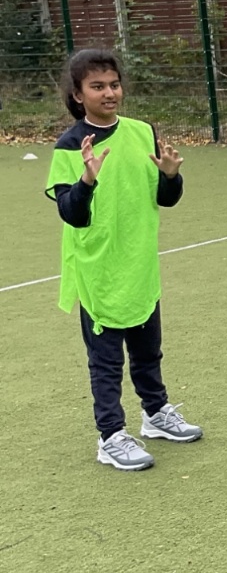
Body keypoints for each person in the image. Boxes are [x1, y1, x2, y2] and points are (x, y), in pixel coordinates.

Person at [45, 48, 203, 471]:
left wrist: (171, 175)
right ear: (78, 94)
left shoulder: (142, 132)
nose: (109, 93)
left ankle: (156, 414)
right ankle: (111, 435)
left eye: (114, 84)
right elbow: (72, 214)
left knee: (149, 351)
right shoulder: (69, 146)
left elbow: (165, 199)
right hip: (98, 270)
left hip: (140, 263)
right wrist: (86, 179)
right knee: (106, 361)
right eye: (97, 86)